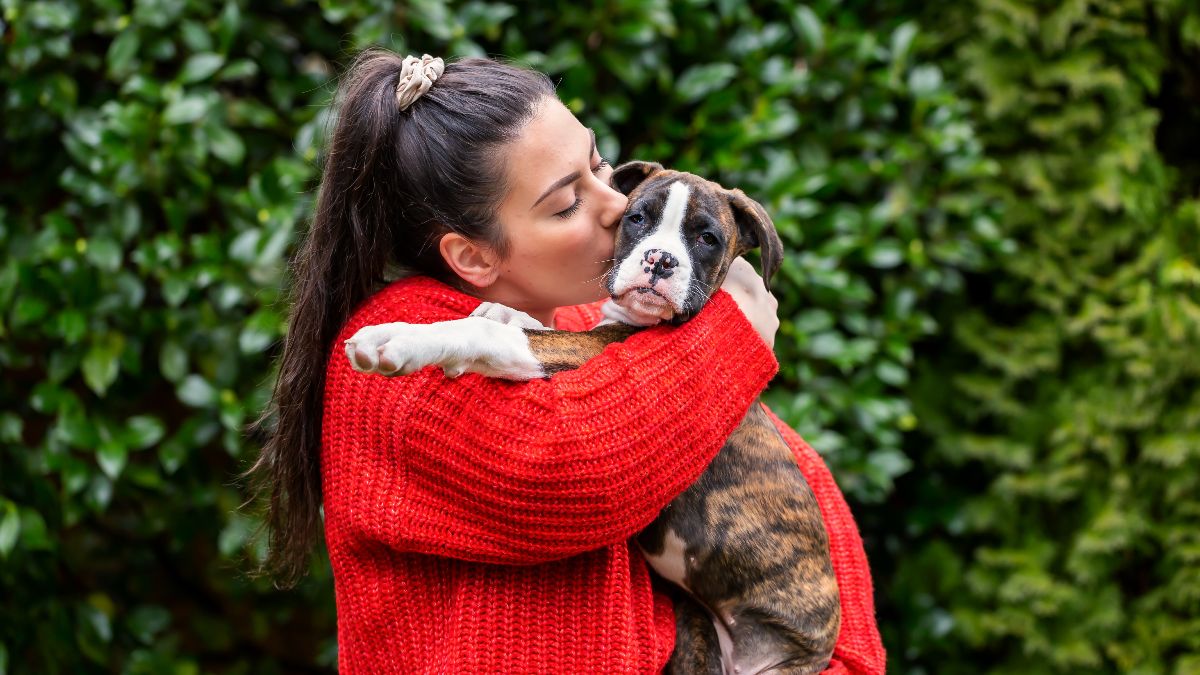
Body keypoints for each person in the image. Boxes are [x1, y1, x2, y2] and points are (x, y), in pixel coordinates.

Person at [251, 50, 886, 674]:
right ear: (474, 256)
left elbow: (790, 492)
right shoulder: (395, 356)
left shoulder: (599, 326)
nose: (617, 206)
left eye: (599, 168)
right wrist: (732, 332)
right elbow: (579, 472)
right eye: (566, 204)